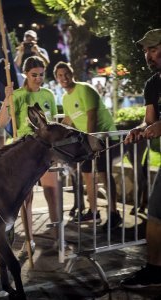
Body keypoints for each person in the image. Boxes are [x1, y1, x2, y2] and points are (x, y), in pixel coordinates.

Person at [0, 56, 58, 257]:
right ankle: (29, 239)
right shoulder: (18, 95)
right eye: (34, 75)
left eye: (41, 75)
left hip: (45, 150)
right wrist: (7, 98)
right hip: (24, 151)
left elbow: (53, 124)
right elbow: (1, 121)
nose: (38, 79)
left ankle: (57, 233)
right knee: (26, 198)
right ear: (26, 74)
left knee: (51, 190)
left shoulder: (48, 94)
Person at [54, 61, 122, 230]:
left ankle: (114, 214)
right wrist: (54, 136)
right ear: (57, 78)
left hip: (104, 136)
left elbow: (92, 117)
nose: (64, 78)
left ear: (72, 73)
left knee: (103, 173)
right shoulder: (65, 97)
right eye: (60, 75)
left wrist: (91, 139)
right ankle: (93, 211)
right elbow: (68, 121)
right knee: (87, 174)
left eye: (66, 73)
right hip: (88, 141)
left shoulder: (84, 89)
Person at [121, 28, 161, 289]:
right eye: (146, 50)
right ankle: (154, 269)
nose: (148, 54)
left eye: (153, 49)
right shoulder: (152, 84)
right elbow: (149, 121)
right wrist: (138, 129)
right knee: (155, 215)